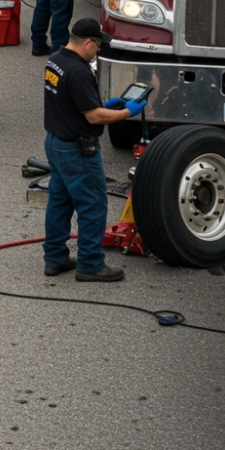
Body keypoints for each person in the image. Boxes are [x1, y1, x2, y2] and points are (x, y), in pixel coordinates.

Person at [42, 17, 148, 282]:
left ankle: (54, 259)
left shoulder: (56, 59)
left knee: (60, 201)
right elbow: (93, 117)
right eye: (98, 45)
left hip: (55, 143)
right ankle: (90, 264)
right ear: (88, 42)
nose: (98, 50)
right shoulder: (79, 71)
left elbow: (72, 102)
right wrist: (125, 112)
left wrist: (105, 104)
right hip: (77, 149)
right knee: (93, 204)